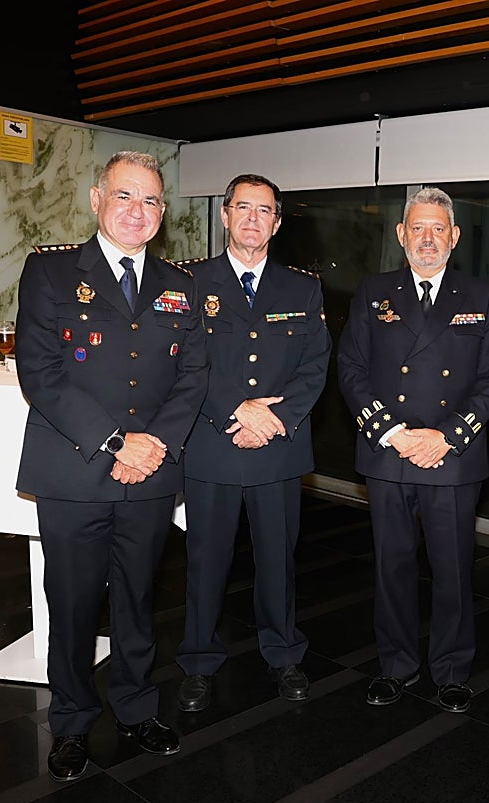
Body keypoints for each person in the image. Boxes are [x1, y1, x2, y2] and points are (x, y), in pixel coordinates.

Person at [15, 150, 208, 782]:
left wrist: (154, 445)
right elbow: (40, 373)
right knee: (72, 603)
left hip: (150, 472)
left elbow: (193, 376)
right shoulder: (51, 272)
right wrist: (116, 442)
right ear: (97, 199)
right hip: (74, 472)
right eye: (124, 195)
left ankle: (135, 707)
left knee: (137, 597)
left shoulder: (182, 284)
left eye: (150, 200)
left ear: (162, 213)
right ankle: (71, 722)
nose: (136, 210)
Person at [337, 187, 489, 714]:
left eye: (437, 229)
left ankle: (451, 670)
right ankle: (396, 666)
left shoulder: (482, 295)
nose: (427, 238)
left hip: (451, 456)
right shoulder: (374, 291)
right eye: (417, 228)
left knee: (453, 569)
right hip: (389, 453)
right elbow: (352, 368)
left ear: (455, 237)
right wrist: (392, 432)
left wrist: (447, 436)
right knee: (392, 566)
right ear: (401, 234)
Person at [175, 174, 331, 713]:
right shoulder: (190, 281)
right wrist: (234, 410)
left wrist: (274, 418)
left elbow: (315, 365)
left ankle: (284, 653)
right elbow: (184, 362)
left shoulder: (302, 288)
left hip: (277, 447)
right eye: (243, 207)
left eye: (264, 211)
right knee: (205, 562)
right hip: (211, 444)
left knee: (278, 559)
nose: (252, 219)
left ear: (277, 223)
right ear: (225, 215)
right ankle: (198, 660)